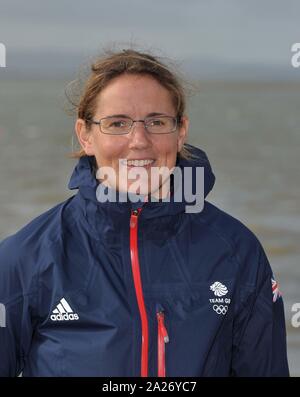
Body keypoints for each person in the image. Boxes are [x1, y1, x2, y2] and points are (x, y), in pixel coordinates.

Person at [0, 49, 289, 377]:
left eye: (157, 121)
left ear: (181, 132)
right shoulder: (25, 258)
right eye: (117, 123)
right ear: (85, 135)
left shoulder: (237, 252)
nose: (139, 140)